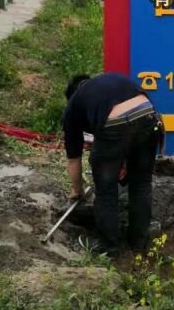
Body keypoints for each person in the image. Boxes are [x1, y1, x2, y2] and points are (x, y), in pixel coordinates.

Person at [62, 72, 164, 255]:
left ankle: (109, 247)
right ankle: (139, 243)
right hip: (149, 117)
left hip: (117, 123)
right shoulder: (109, 83)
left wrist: (77, 190)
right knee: (141, 185)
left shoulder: (74, 104)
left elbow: (73, 158)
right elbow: (133, 126)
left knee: (106, 191)